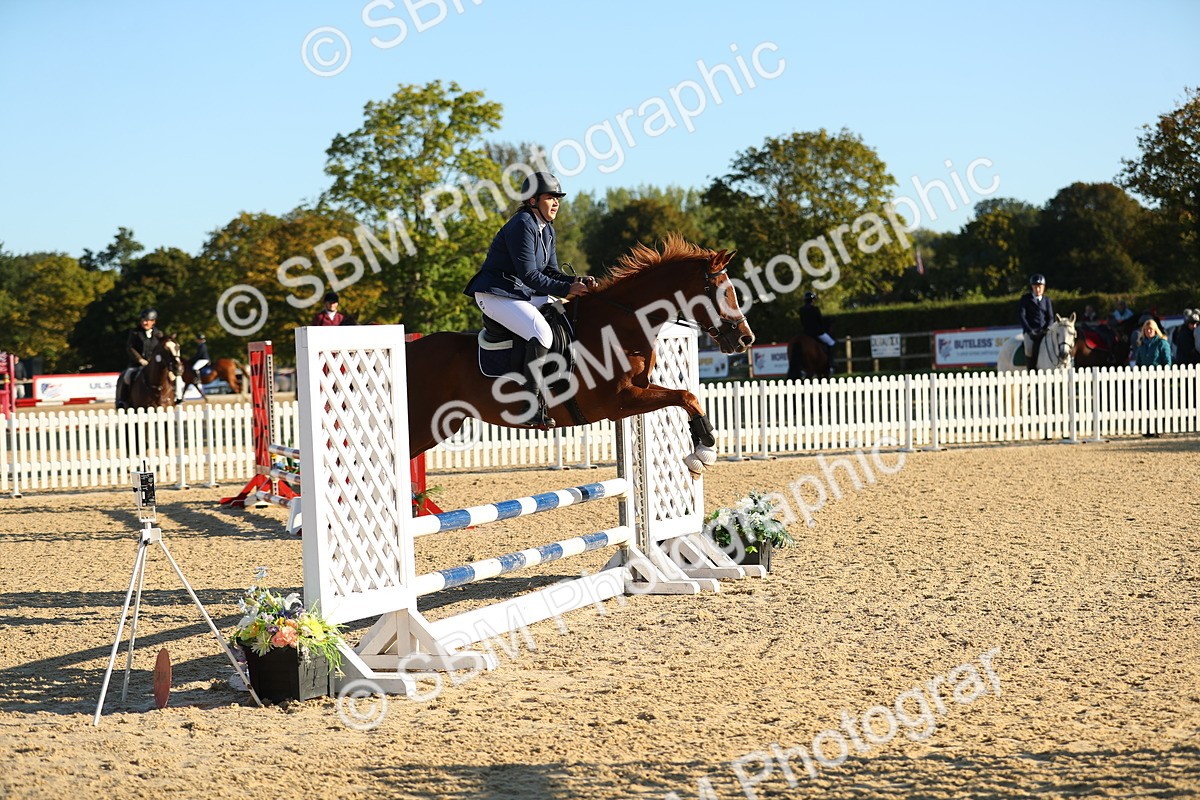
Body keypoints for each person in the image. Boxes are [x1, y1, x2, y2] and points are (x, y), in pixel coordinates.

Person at [463, 171, 594, 427]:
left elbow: (550, 271)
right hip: (496, 294)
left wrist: (576, 282)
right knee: (542, 334)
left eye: (558, 197)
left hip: (520, 293)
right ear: (533, 200)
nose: (556, 202)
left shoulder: (546, 229)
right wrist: (568, 289)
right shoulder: (523, 223)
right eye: (550, 197)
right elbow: (532, 276)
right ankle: (529, 406)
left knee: (564, 320)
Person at [118, 308, 165, 408]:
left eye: (146, 320)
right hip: (137, 364)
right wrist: (140, 359)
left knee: (170, 376)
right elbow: (130, 348)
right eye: (142, 320)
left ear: (153, 321)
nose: (144, 322)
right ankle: (123, 400)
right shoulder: (135, 332)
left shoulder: (159, 334)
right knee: (127, 376)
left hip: (154, 365)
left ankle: (176, 397)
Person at [1018, 274, 1055, 372]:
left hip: (1044, 331)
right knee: (1029, 349)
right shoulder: (1025, 299)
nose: (1037, 289)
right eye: (1035, 287)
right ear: (1032, 287)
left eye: (1040, 287)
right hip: (1031, 331)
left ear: (1043, 287)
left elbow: (1051, 317)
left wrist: (1046, 329)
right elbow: (1022, 316)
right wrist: (1029, 331)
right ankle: (1031, 370)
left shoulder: (1047, 300)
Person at [798, 291, 836, 375]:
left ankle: (801, 369)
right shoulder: (815, 309)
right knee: (832, 343)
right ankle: (831, 364)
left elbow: (802, 322)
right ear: (812, 300)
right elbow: (820, 321)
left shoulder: (801, 310)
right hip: (817, 333)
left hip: (806, 333)